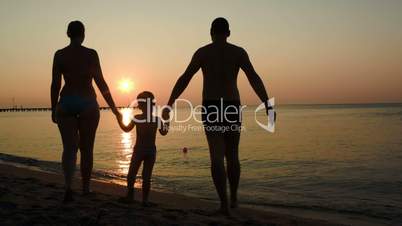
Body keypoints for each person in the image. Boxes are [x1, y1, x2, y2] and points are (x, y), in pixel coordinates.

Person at [163, 17, 275, 215]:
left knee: (216, 155)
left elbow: (185, 78)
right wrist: (267, 103)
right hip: (232, 106)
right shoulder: (238, 52)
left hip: (212, 106)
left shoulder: (203, 53)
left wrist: (169, 104)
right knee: (232, 155)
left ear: (210, 32)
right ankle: (234, 199)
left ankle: (223, 205)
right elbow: (253, 77)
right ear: (229, 33)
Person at [51, 21, 121, 203]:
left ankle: (68, 187)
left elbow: (55, 84)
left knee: (69, 149)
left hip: (66, 102)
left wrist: (53, 108)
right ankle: (85, 188)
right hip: (87, 102)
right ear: (83, 34)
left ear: (68, 33)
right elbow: (101, 82)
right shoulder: (91, 54)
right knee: (87, 149)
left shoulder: (60, 55)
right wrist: (114, 109)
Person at [117, 91, 169, 206]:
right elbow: (164, 132)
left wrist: (119, 118)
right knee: (144, 176)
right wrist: (167, 120)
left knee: (134, 174)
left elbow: (126, 129)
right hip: (148, 150)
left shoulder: (144, 118)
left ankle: (136, 197)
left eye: (140, 102)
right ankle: (143, 200)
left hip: (142, 150)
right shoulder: (154, 119)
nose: (138, 105)